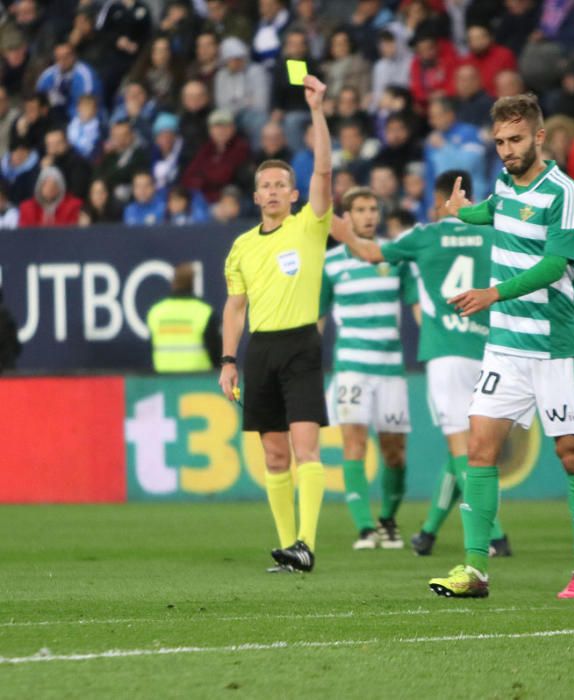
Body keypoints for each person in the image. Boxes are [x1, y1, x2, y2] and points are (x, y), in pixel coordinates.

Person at [427, 94, 574, 600]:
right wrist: (466, 213)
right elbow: (499, 210)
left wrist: (493, 293)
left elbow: (554, 265)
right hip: (505, 347)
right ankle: (475, 570)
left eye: (516, 140)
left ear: (540, 137)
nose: (506, 149)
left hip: (555, 347)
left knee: (572, 454)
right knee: (478, 451)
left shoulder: (565, 193)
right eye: (500, 141)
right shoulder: (504, 183)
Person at [329, 170, 511, 557]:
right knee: (469, 447)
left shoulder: (423, 237)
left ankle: (492, 534)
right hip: (490, 350)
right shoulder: (494, 236)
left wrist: (328, 219)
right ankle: (427, 531)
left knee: (461, 446)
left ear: (439, 200)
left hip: (445, 352)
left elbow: (369, 252)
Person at [218, 74, 332, 574]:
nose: (271, 191)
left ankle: (307, 541)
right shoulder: (242, 246)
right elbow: (235, 308)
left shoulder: (310, 225)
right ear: (256, 194)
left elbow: (326, 173)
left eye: (279, 185)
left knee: (306, 448)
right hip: (260, 350)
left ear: (293, 193)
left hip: (301, 344)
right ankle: (289, 550)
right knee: (274, 454)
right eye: (264, 185)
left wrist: (317, 111)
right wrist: (227, 360)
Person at [318, 186, 417, 549]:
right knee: (354, 445)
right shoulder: (330, 263)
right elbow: (319, 319)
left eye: (373, 209)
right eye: (360, 209)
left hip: (390, 368)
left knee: (394, 451)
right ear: (347, 217)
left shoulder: (395, 257)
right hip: (351, 368)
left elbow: (418, 308)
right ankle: (364, 527)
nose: (369, 215)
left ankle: (388, 519)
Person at [147, 263, 222, 372]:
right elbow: (216, 351)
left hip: (163, 378)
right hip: (199, 379)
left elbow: (151, 347)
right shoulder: (204, 312)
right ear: (193, 283)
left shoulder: (155, 312)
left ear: (173, 282)